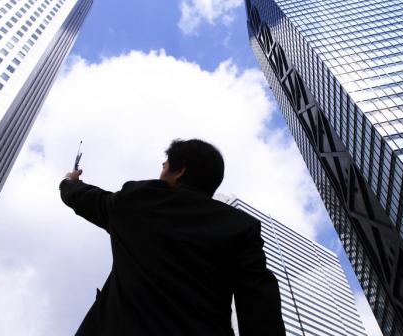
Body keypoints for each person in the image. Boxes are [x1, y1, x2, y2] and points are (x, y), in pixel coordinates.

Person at [59, 139, 285, 335]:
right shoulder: (240, 227)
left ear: (180, 171)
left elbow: (85, 198)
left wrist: (70, 182)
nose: (161, 171)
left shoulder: (137, 201)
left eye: (165, 165)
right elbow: (261, 310)